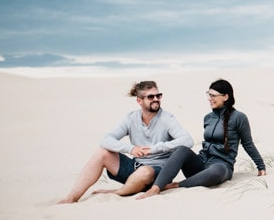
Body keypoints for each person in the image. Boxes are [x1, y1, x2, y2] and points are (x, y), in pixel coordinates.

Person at [58, 80, 193, 203]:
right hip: (134, 168)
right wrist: (131, 149)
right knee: (101, 153)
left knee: (145, 171)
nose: (156, 99)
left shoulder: (167, 118)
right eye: (151, 97)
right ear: (139, 101)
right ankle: (71, 198)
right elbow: (106, 140)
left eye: (158, 95)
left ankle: (117, 192)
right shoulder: (131, 118)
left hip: (158, 174)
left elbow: (187, 140)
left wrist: (155, 148)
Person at [138, 78, 266, 199]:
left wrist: (261, 166)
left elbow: (247, 143)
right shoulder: (208, 118)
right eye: (208, 95)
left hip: (221, 167)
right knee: (181, 149)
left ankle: (177, 185)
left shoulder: (239, 117)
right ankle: (156, 187)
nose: (209, 99)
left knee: (218, 170)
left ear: (225, 97)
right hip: (200, 165)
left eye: (213, 96)